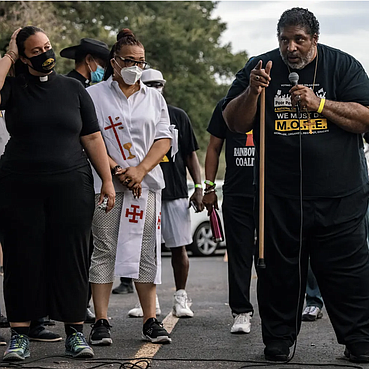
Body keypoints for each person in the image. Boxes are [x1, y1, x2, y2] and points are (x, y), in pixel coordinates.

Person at [222, 8, 369, 363]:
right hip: (279, 197)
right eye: (284, 40)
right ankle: (279, 339)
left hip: (339, 196)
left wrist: (318, 103)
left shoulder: (342, 66)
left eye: (299, 40)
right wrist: (252, 92)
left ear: (314, 39)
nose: (291, 48)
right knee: (278, 273)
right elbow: (232, 122)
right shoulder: (259, 67)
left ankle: (357, 341)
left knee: (347, 273)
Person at [0, 26, 116, 361]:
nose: (45, 54)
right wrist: (8, 56)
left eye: (47, 47)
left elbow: (93, 137)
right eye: (35, 51)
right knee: (22, 258)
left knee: (72, 257)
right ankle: (20, 335)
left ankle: (76, 333)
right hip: (19, 186)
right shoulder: (14, 88)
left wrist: (106, 180)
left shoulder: (73, 89)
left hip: (71, 184)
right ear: (23, 56)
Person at [86, 29, 173, 346]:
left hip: (144, 186)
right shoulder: (94, 95)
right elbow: (89, 137)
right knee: (105, 249)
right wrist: (117, 169)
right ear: (115, 61)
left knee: (145, 251)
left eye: (141, 61)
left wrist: (139, 170)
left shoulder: (154, 97)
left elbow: (163, 139)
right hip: (107, 184)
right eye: (129, 60)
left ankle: (150, 319)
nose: (135, 66)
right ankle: (101, 320)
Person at [125, 68, 202, 319]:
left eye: (159, 83)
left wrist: (199, 187)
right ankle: (149, 301)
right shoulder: (133, 114)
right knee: (143, 248)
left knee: (179, 247)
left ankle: (181, 296)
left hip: (175, 190)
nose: (155, 88)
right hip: (144, 188)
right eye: (150, 84)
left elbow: (190, 154)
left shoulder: (178, 115)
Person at [302, 129, 369, 322]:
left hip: (353, 190)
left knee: (359, 249)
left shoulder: (354, 108)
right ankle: (314, 301)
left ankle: (364, 303)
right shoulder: (310, 112)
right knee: (312, 246)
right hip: (316, 189)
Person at [61, 37, 110, 324]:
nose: (102, 69)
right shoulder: (72, 86)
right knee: (76, 246)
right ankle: (73, 306)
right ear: (90, 60)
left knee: (88, 245)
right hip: (72, 170)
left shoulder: (89, 88)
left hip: (87, 172)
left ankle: (81, 304)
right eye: (102, 64)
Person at [203, 98, 256, 334]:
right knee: (239, 256)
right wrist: (209, 187)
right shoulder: (226, 106)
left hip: (272, 194)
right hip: (236, 194)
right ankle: (241, 312)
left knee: (275, 258)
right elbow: (214, 147)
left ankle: (276, 313)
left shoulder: (274, 102)